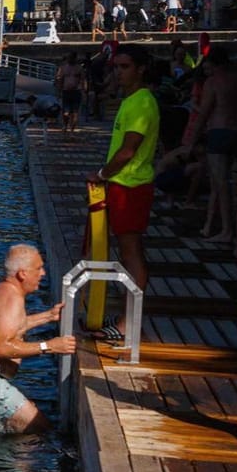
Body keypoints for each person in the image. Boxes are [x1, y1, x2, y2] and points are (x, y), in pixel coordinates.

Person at [0, 244, 77, 434]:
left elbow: (9, 327)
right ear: (22, 274)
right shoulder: (11, 298)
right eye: (38, 268)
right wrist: (50, 346)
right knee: (41, 431)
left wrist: (48, 316)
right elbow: (3, 347)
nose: (43, 273)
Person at [88, 46, 158, 341]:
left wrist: (101, 174)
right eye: (116, 67)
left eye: (125, 66)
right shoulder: (131, 101)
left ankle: (129, 323)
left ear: (140, 69)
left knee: (131, 253)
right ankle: (125, 318)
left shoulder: (142, 103)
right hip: (123, 185)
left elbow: (128, 151)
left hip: (131, 186)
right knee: (127, 251)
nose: (118, 72)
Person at [182, 49, 237, 246]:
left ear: (214, 65)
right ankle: (230, 229)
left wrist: (191, 142)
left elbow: (204, 113)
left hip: (218, 132)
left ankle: (227, 229)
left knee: (221, 184)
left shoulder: (213, 83)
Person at [55, 53, 84, 131]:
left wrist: (83, 90)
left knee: (75, 111)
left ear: (75, 58)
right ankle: (65, 125)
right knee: (65, 111)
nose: (70, 59)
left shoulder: (79, 68)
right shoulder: (63, 68)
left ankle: (72, 128)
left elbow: (82, 80)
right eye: (69, 58)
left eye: (72, 58)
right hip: (66, 91)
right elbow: (59, 80)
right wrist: (58, 91)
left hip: (76, 91)